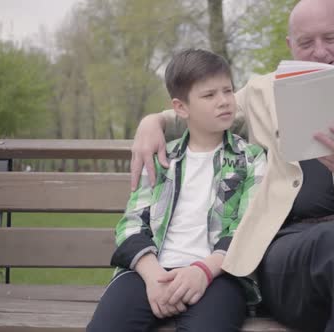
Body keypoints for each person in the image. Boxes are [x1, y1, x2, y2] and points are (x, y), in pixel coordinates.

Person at [129, 0, 334, 331]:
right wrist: (153, 121)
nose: (319, 52)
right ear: (290, 45)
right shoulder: (261, 94)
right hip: (290, 259)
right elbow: (203, 111)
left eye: (330, 38)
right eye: (306, 42)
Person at [87, 49, 266, 332]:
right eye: (209, 96)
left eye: (228, 91)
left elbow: (249, 226)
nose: (224, 101)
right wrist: (153, 275)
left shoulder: (251, 158)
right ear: (181, 108)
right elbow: (131, 224)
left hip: (219, 275)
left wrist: (203, 271)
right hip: (150, 270)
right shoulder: (162, 158)